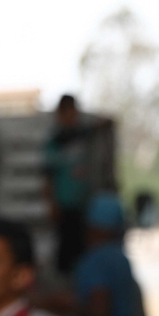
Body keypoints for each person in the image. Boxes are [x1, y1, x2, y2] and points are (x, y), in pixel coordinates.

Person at [43, 95, 105, 276]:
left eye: (74, 112)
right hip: (65, 206)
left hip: (84, 205)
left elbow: (98, 127)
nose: (72, 116)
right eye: (68, 112)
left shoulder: (83, 135)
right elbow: (48, 176)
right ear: (60, 115)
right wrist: (52, 204)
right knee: (66, 251)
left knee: (84, 250)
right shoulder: (56, 141)